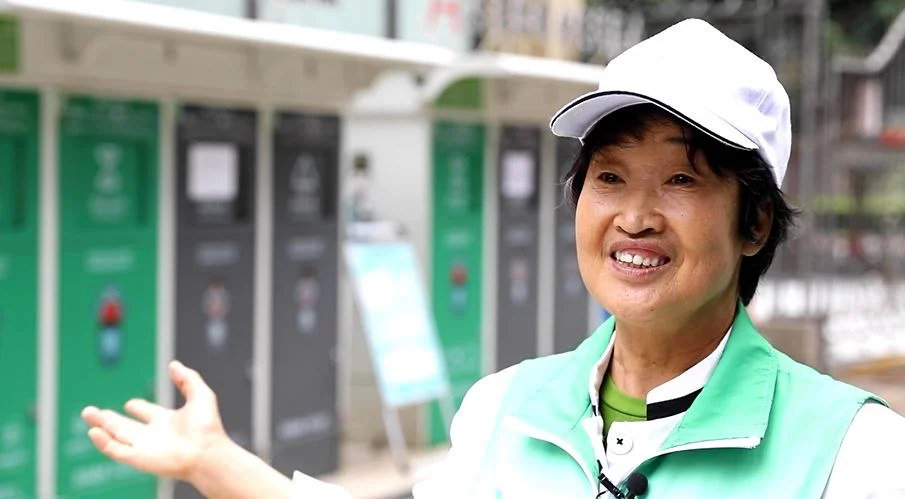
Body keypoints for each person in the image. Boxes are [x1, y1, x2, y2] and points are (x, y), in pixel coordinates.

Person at [81, 18, 905, 498]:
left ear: (754, 221)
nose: (634, 215)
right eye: (609, 175)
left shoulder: (852, 454)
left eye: (680, 178)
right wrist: (215, 461)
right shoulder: (503, 409)